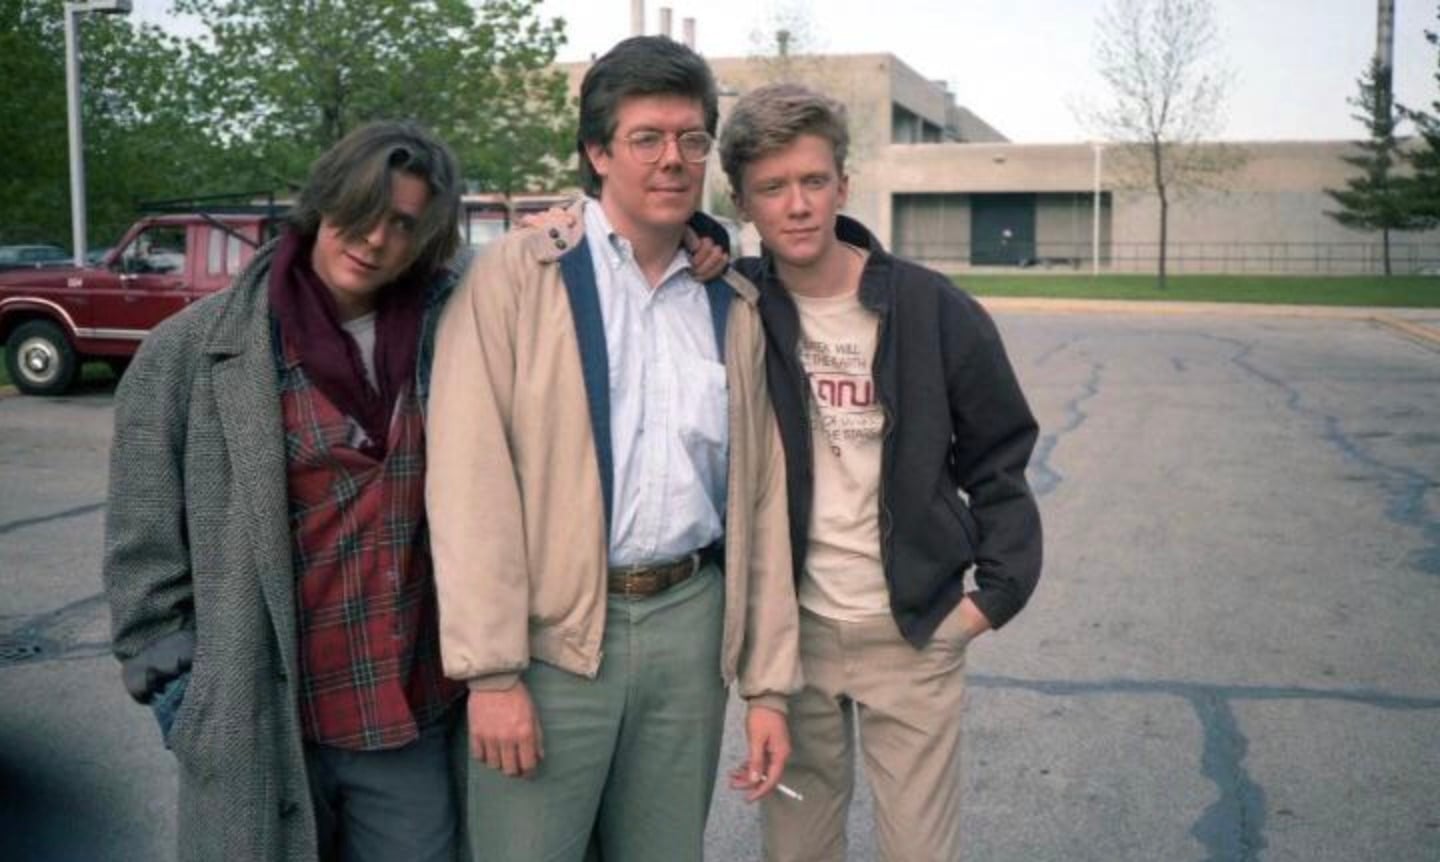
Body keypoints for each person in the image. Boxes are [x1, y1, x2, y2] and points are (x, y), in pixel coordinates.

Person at [424, 35, 800, 862]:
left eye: (692, 139)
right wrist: (491, 673)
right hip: (551, 642)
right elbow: (468, 481)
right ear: (597, 152)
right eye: (646, 138)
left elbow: (761, 504)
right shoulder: (520, 277)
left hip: (687, 630)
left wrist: (768, 687)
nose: (674, 160)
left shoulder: (729, 304)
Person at [103, 121, 471, 862]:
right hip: (260, 715)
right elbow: (141, 545)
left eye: (401, 223)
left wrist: (689, 235)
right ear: (322, 199)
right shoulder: (191, 348)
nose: (372, 238)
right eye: (360, 209)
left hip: (405, 710)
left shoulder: (455, 330)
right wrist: (186, 700)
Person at [719, 83, 1044, 861]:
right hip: (794, 640)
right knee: (796, 849)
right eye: (772, 188)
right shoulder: (735, 308)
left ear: (842, 184)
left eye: (812, 181)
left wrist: (989, 600)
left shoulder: (933, 310)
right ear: (742, 202)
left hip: (913, 631)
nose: (796, 205)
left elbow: (1000, 456)